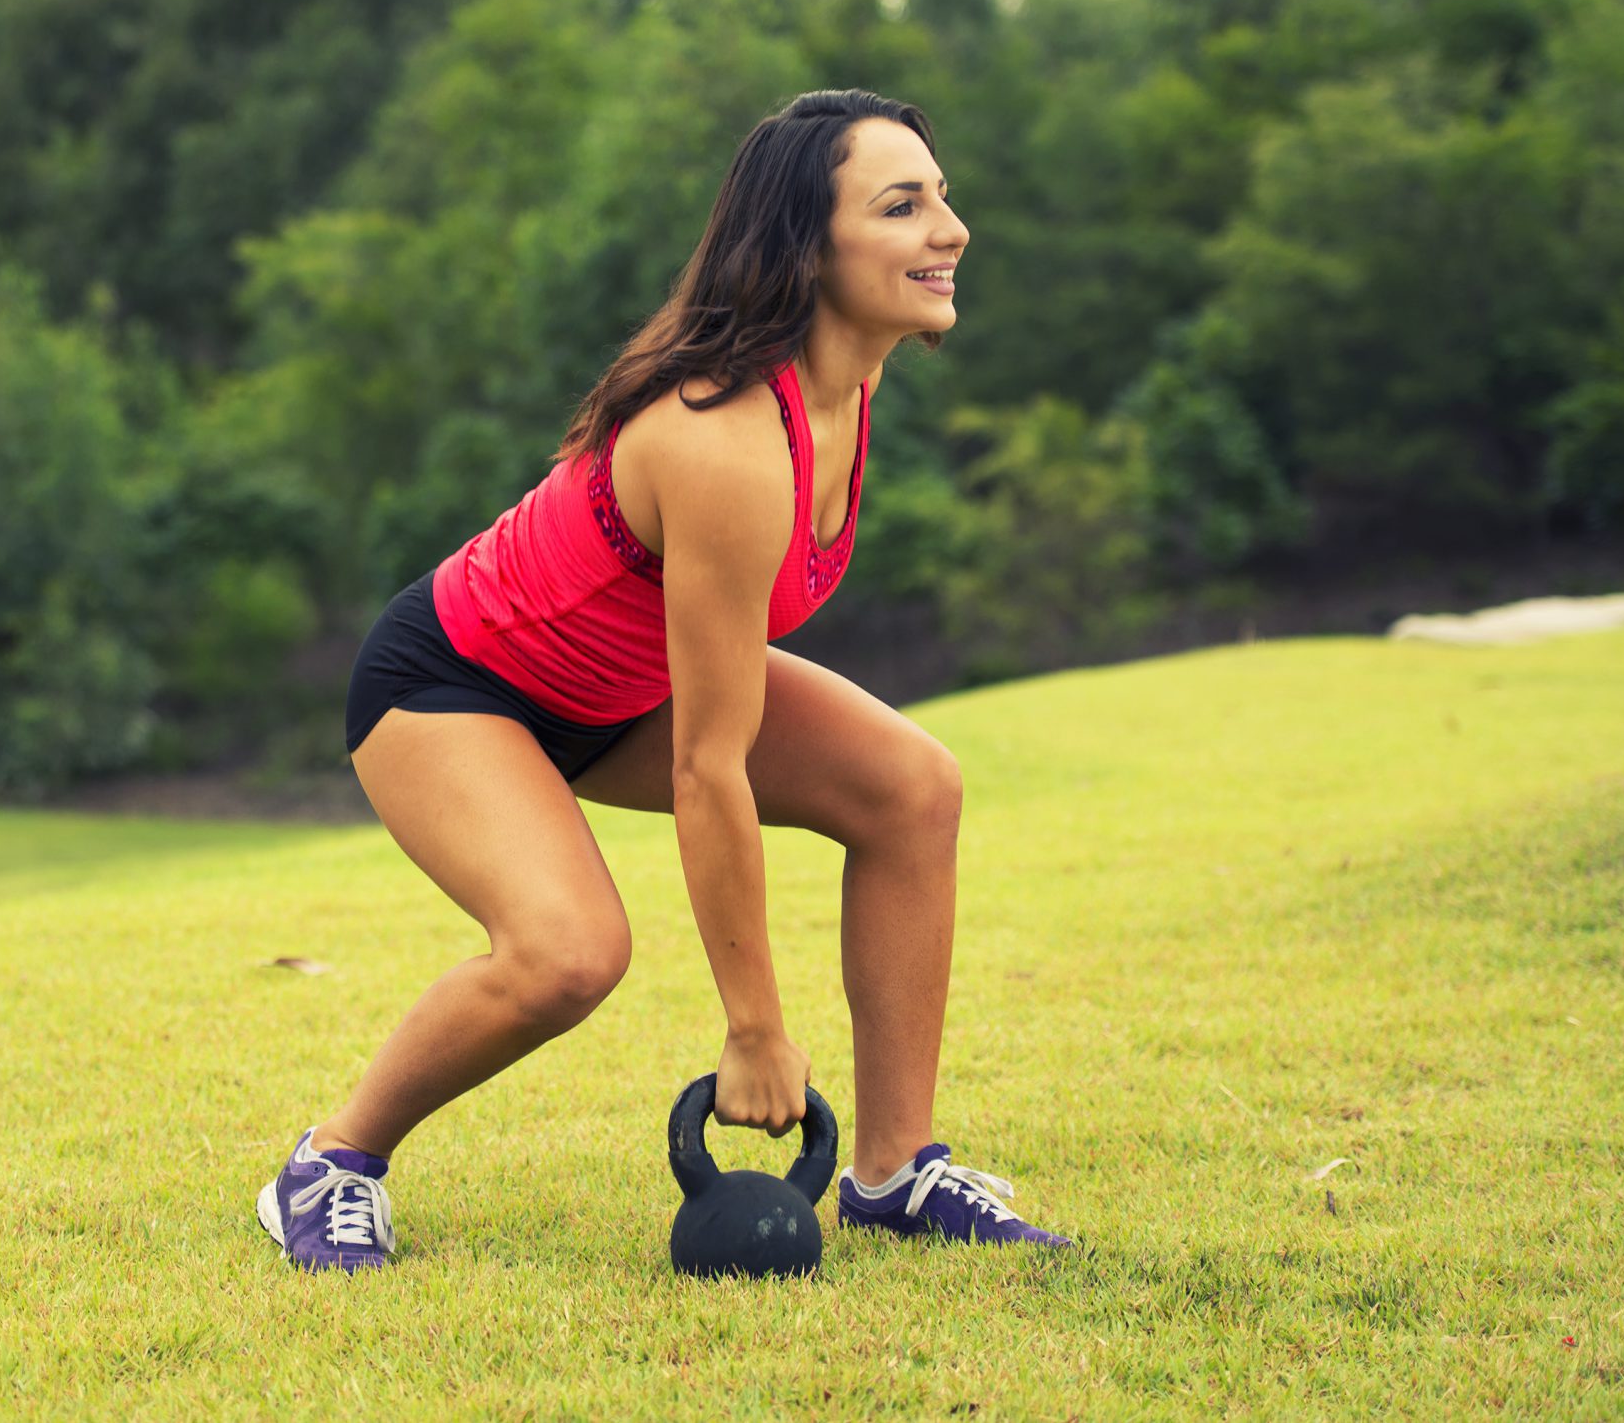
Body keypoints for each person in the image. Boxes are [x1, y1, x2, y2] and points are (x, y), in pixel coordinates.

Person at [256, 89, 1072, 1273]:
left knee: (911, 787)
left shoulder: (852, 380)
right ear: (806, 247)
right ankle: (331, 1163)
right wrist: (755, 1031)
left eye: (942, 198)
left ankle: (897, 1174)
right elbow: (710, 766)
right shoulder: (727, 440)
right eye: (903, 206)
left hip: (618, 691)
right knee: (565, 953)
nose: (949, 230)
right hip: (456, 683)